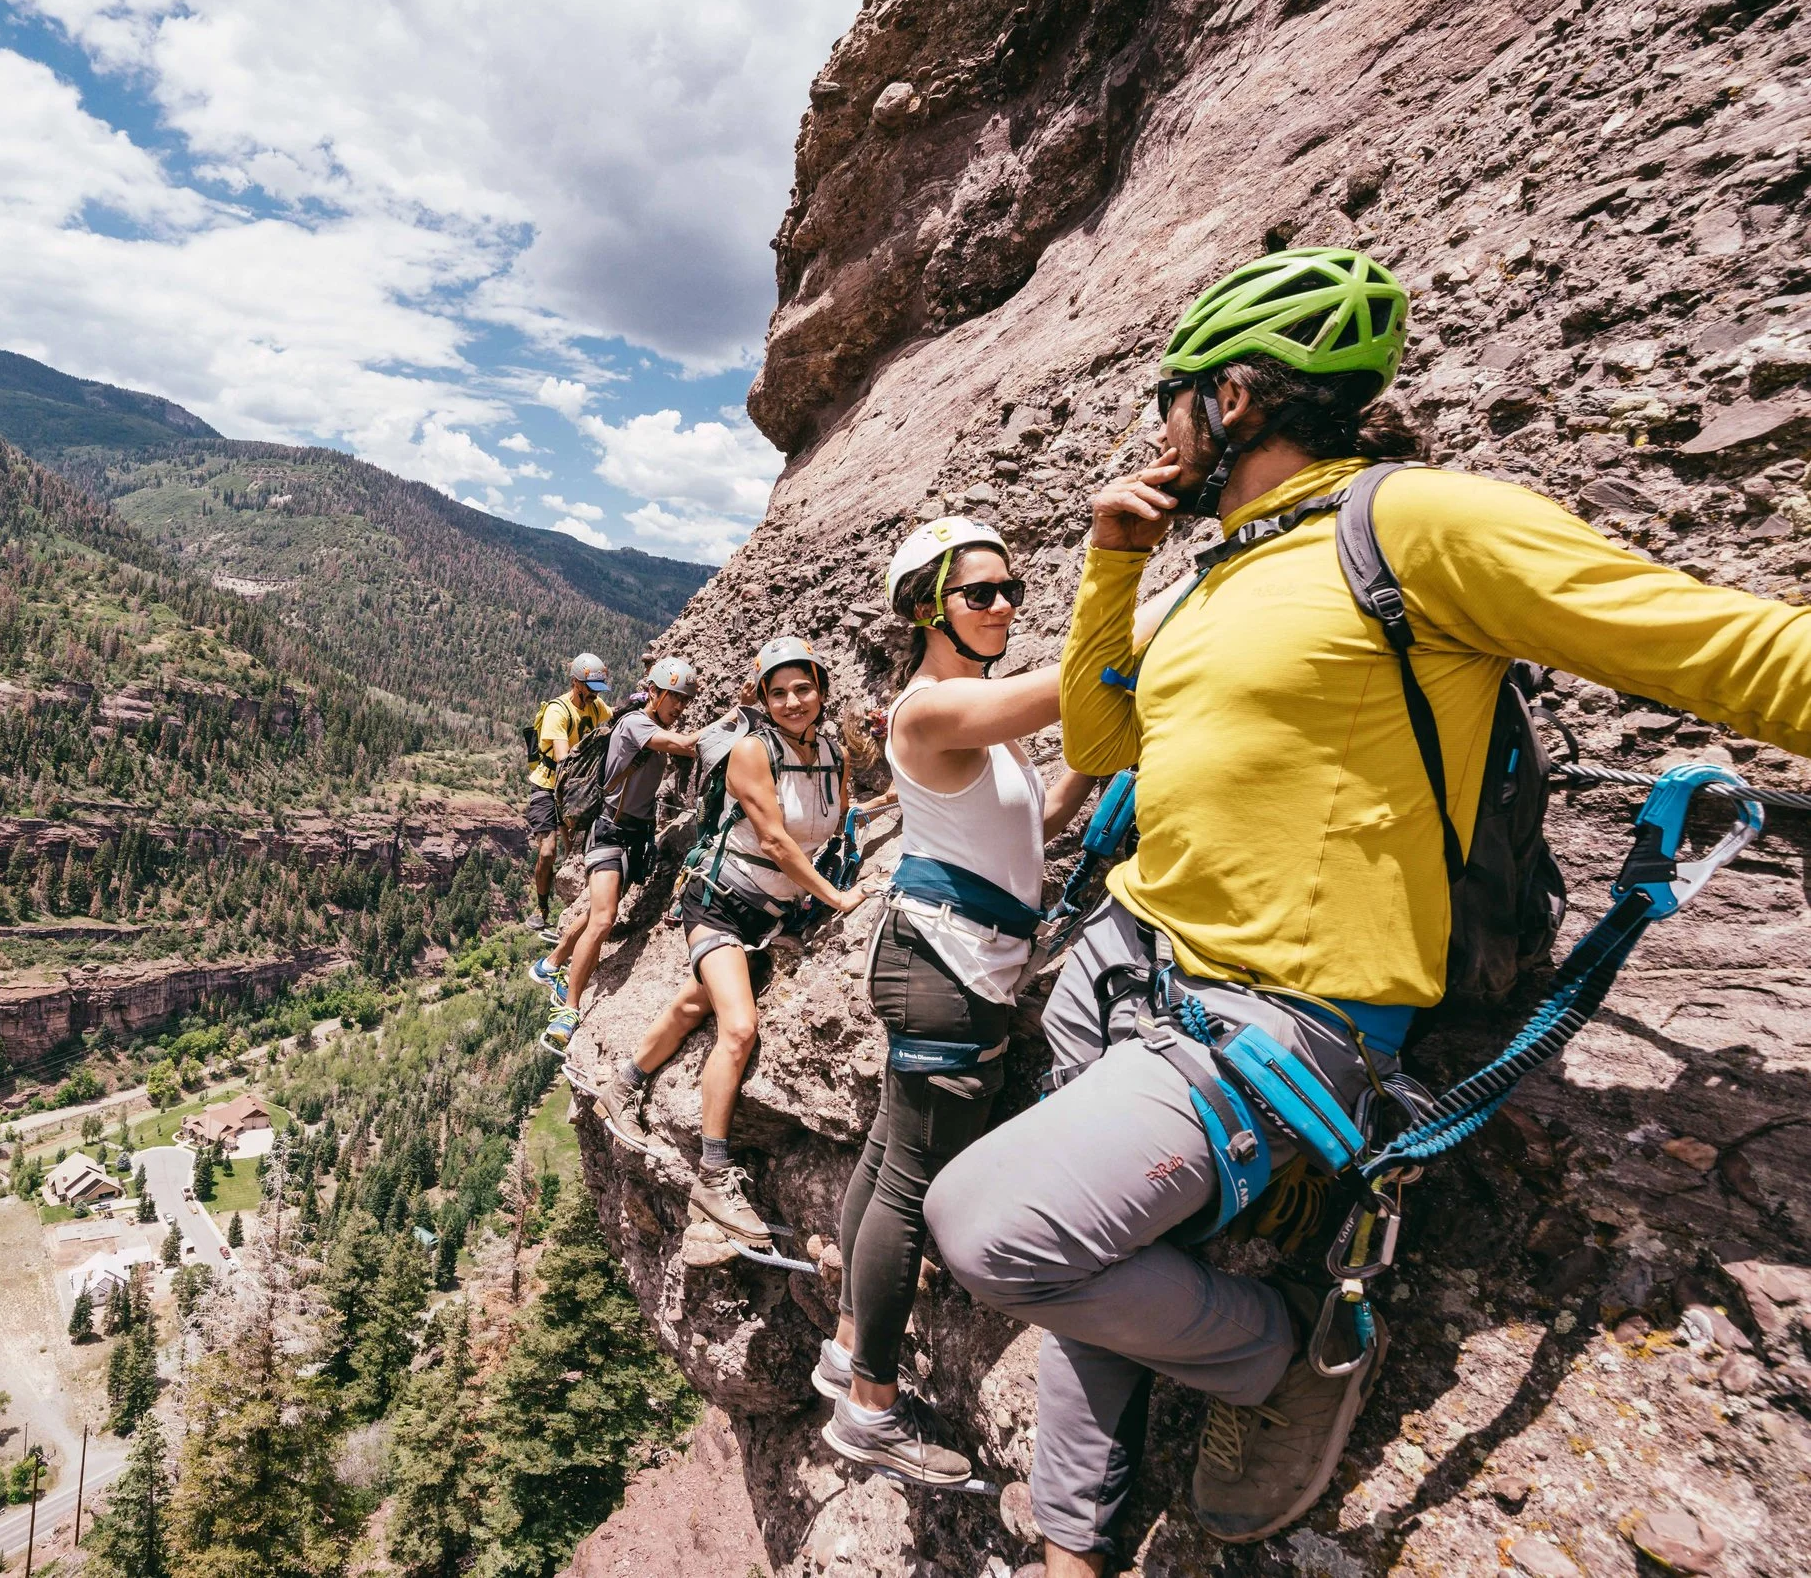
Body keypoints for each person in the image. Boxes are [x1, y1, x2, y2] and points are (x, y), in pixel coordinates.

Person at [918, 247, 1811, 1568]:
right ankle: (1069, 1544)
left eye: (1171, 399)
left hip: (1282, 1015)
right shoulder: (1223, 572)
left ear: (1233, 398)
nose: (1155, 427)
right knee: (1076, 1246)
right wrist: (1115, 559)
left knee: (990, 1229)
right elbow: (1106, 735)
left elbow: (1731, 650)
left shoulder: (1413, 524)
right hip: (1139, 970)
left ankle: (1269, 1346)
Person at [816, 519, 1093, 1487]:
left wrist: (1093, 773)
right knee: (910, 1186)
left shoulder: (971, 712)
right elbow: (1073, 682)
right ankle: (872, 1409)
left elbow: (1029, 824)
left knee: (888, 1155)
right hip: (952, 973)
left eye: (1009, 587)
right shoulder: (926, 710)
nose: (1005, 604)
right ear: (929, 609)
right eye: (981, 592)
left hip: (938, 961)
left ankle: (849, 1346)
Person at [592, 637, 865, 1247]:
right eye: (779, 692)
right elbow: (773, 840)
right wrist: (837, 898)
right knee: (738, 1028)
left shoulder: (833, 753)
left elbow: (839, 818)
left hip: (771, 912)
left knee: (696, 1003)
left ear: (821, 689)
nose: (794, 701)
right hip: (719, 903)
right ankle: (712, 1179)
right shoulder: (751, 751)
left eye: (804, 688)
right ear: (763, 699)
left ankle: (624, 1083)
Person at [537, 657, 704, 1050]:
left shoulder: (651, 724)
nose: (679, 707)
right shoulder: (636, 724)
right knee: (606, 917)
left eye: (684, 700)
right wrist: (739, 715)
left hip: (635, 836)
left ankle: (552, 963)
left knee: (600, 909)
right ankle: (569, 1010)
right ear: (655, 693)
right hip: (610, 831)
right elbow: (683, 745)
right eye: (674, 698)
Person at [523, 652, 612, 931]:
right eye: (591, 689)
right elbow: (562, 758)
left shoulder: (595, 706)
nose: (596, 695)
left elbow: (613, 719)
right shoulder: (558, 711)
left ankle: (577, 905)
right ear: (576, 683)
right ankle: (541, 906)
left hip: (576, 788)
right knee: (548, 851)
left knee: (574, 851)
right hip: (549, 785)